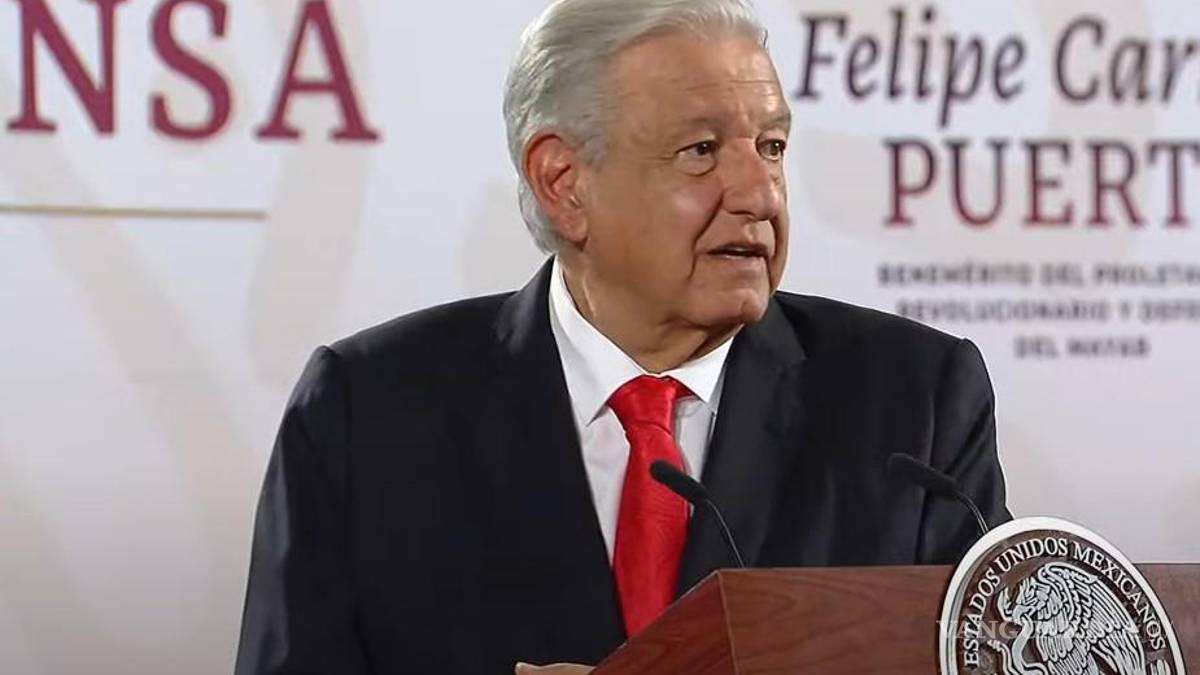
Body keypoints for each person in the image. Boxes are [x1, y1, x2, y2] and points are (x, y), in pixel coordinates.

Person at [234, 1, 1010, 673]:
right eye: (701, 151)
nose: (760, 193)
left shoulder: (912, 402)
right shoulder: (368, 413)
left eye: (771, 146)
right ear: (563, 183)